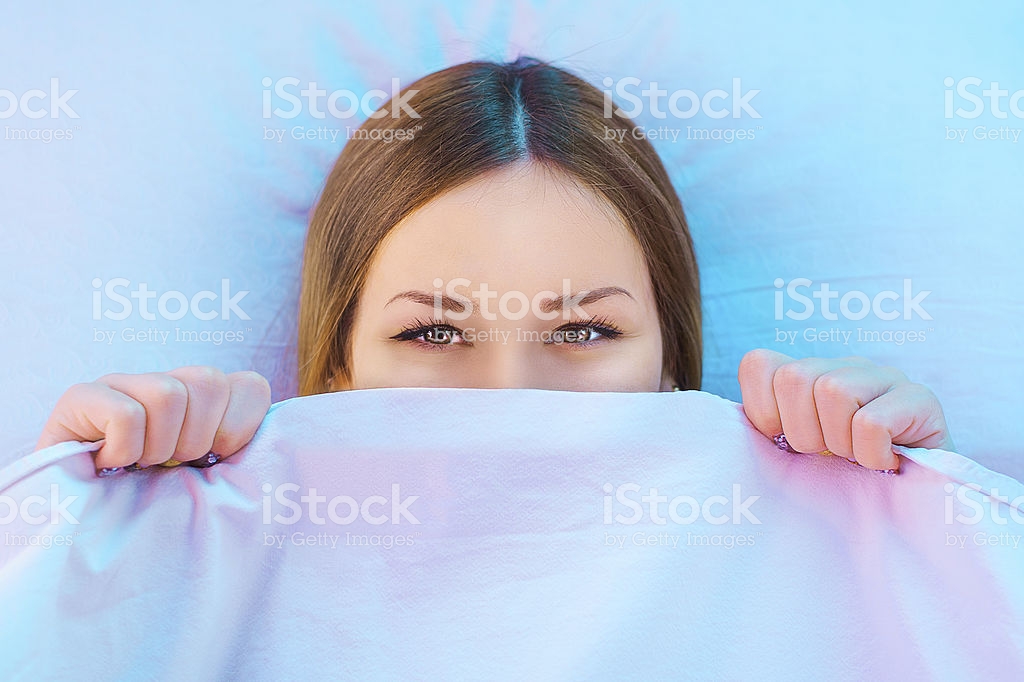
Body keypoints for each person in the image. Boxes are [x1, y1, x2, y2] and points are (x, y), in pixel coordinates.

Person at [35, 57, 954, 474]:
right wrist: (72, 524)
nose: (510, 394)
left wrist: (910, 520)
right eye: (434, 330)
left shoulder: (797, 532)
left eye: (585, 330)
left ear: (672, 365)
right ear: (341, 367)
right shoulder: (204, 541)